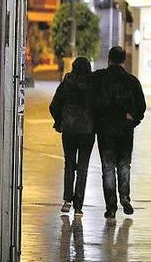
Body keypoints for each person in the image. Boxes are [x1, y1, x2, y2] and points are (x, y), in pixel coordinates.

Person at [94, 46, 146, 220]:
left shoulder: (100, 78)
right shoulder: (131, 81)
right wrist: (133, 119)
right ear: (124, 61)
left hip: (105, 129)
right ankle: (124, 197)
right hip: (125, 130)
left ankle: (111, 207)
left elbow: (90, 99)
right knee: (124, 165)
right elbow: (141, 106)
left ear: (109, 59)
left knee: (108, 168)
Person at [49, 56, 96, 216]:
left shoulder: (67, 83)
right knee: (83, 168)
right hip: (88, 131)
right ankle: (78, 207)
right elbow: (99, 107)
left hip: (69, 130)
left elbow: (54, 105)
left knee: (69, 164)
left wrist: (60, 121)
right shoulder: (93, 85)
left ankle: (67, 200)